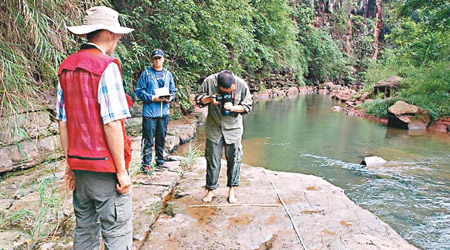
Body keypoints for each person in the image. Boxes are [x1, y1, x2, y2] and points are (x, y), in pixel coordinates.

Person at [56, 6, 134, 249]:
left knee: (85, 231)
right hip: (105, 169)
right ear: (111, 34)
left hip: (80, 168)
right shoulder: (106, 66)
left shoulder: (66, 67)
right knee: (117, 233)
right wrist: (121, 171)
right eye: (118, 35)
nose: (119, 40)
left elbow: (63, 121)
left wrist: (70, 165)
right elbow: (111, 123)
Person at [195, 70, 252, 203]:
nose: (227, 93)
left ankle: (232, 190)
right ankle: (210, 189)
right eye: (224, 92)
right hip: (214, 127)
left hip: (234, 128)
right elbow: (198, 100)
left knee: (235, 159)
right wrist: (209, 99)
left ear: (234, 83)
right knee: (212, 159)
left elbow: (248, 106)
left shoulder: (241, 84)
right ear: (218, 86)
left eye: (230, 90)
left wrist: (233, 108)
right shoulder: (209, 82)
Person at [136, 49, 176, 174]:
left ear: (163, 59)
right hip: (150, 112)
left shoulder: (168, 74)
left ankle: (160, 160)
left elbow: (173, 91)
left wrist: (170, 98)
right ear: (152, 60)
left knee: (161, 137)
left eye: (159, 58)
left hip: (163, 112)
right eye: (155, 58)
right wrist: (152, 98)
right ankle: (146, 163)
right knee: (148, 138)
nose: (157, 60)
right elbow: (139, 91)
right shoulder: (146, 74)